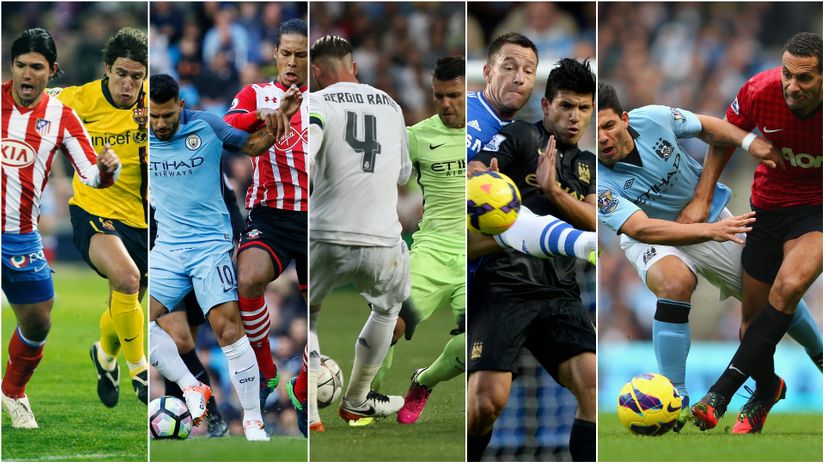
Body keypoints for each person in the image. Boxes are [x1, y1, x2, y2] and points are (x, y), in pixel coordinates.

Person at [596, 81, 822, 431]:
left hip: (707, 216)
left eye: (608, 126)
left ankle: (813, 356)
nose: (603, 138)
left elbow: (709, 127)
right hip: (656, 235)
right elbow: (641, 230)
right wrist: (709, 232)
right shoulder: (597, 181)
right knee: (674, 282)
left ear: (624, 119)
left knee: (773, 296)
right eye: (594, 133)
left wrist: (749, 142)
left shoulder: (654, 118)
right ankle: (676, 398)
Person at [147, 73, 299, 441]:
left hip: (209, 247)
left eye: (167, 115)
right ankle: (191, 387)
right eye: (154, 116)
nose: (161, 124)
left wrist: (285, 119)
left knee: (229, 331)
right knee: (137, 327)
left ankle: (252, 421)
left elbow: (251, 146)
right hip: (166, 248)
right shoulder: (139, 134)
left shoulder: (207, 125)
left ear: (181, 107)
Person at [687, 32, 823, 434]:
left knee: (789, 287)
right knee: (751, 325)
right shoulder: (759, 90)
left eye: (805, 79)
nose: (792, 86)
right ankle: (767, 389)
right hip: (768, 208)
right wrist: (702, 197)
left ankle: (720, 393)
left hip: (816, 211)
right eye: (787, 75)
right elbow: (724, 138)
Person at [466, 58, 598, 462]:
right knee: (487, 403)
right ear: (546, 106)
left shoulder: (589, 166)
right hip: (503, 286)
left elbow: (597, 225)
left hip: (558, 291)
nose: (575, 117)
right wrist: (481, 177)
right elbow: (478, 175)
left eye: (583, 108)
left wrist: (554, 192)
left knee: (593, 384)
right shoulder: (520, 138)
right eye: (566, 106)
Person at [1, 28, 121, 428]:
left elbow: (90, 173)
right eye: (20, 65)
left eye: (36, 67)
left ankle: (13, 392)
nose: (27, 75)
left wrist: (107, 171)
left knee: (38, 319)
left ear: (52, 71)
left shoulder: (62, 117)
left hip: (19, 234)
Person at [307, 35, 411, 431]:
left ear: (317, 72)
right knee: (387, 310)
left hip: (325, 234)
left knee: (308, 316)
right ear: (354, 67)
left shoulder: (315, 102)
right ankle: (356, 400)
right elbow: (403, 173)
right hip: (382, 238)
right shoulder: (390, 103)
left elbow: (306, 154)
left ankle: (313, 415)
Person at [48, 27, 150, 406]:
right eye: (121, 74)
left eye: (136, 77)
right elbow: (24, 100)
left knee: (128, 299)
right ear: (107, 69)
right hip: (91, 208)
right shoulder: (78, 100)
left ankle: (105, 354)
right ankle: (140, 372)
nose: (128, 84)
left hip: (141, 219)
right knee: (127, 277)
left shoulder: (155, 103)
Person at [364, 56, 466, 425]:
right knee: (390, 320)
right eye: (439, 96)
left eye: (454, 95)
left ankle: (423, 382)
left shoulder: (492, 135)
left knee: (478, 344)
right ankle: (364, 398)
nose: (446, 104)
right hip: (434, 249)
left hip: (480, 256)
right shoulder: (418, 136)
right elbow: (372, 166)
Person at [223, 18, 309, 411]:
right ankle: (266, 369)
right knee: (248, 279)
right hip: (269, 214)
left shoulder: (326, 100)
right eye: (286, 53)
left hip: (318, 217)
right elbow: (227, 129)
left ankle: (307, 385)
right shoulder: (256, 93)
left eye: (301, 55)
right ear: (275, 53)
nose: (292, 62)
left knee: (321, 309)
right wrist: (264, 115)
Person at [467, 33, 595, 265]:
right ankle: (576, 242)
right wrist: (476, 172)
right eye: (509, 67)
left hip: (475, 273)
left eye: (528, 71)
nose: (519, 79)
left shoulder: (520, 132)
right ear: (487, 73)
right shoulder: (465, 110)